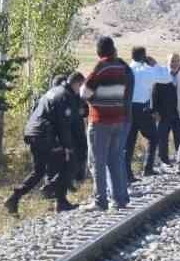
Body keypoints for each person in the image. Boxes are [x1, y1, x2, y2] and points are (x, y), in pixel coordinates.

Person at [8, 75, 79, 215]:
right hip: (44, 136)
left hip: (34, 133)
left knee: (39, 171)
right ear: (76, 83)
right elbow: (63, 124)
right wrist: (67, 147)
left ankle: (14, 198)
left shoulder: (49, 94)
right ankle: (55, 194)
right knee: (69, 161)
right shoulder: (64, 96)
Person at [82, 37, 134, 210]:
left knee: (97, 161)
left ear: (99, 51)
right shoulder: (121, 67)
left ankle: (100, 201)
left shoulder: (101, 67)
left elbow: (85, 91)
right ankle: (119, 199)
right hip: (118, 119)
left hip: (100, 120)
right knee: (115, 160)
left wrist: (94, 100)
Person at [127, 48, 172, 180]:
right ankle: (148, 167)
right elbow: (167, 78)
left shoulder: (128, 69)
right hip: (142, 108)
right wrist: (155, 64)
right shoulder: (146, 71)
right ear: (144, 57)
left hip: (128, 108)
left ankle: (127, 173)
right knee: (153, 137)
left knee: (129, 142)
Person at [155, 53, 180, 168]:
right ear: (167, 62)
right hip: (163, 112)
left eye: (176, 61)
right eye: (172, 61)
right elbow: (154, 93)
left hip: (178, 113)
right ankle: (164, 160)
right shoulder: (162, 75)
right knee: (162, 138)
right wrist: (155, 110)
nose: (174, 63)